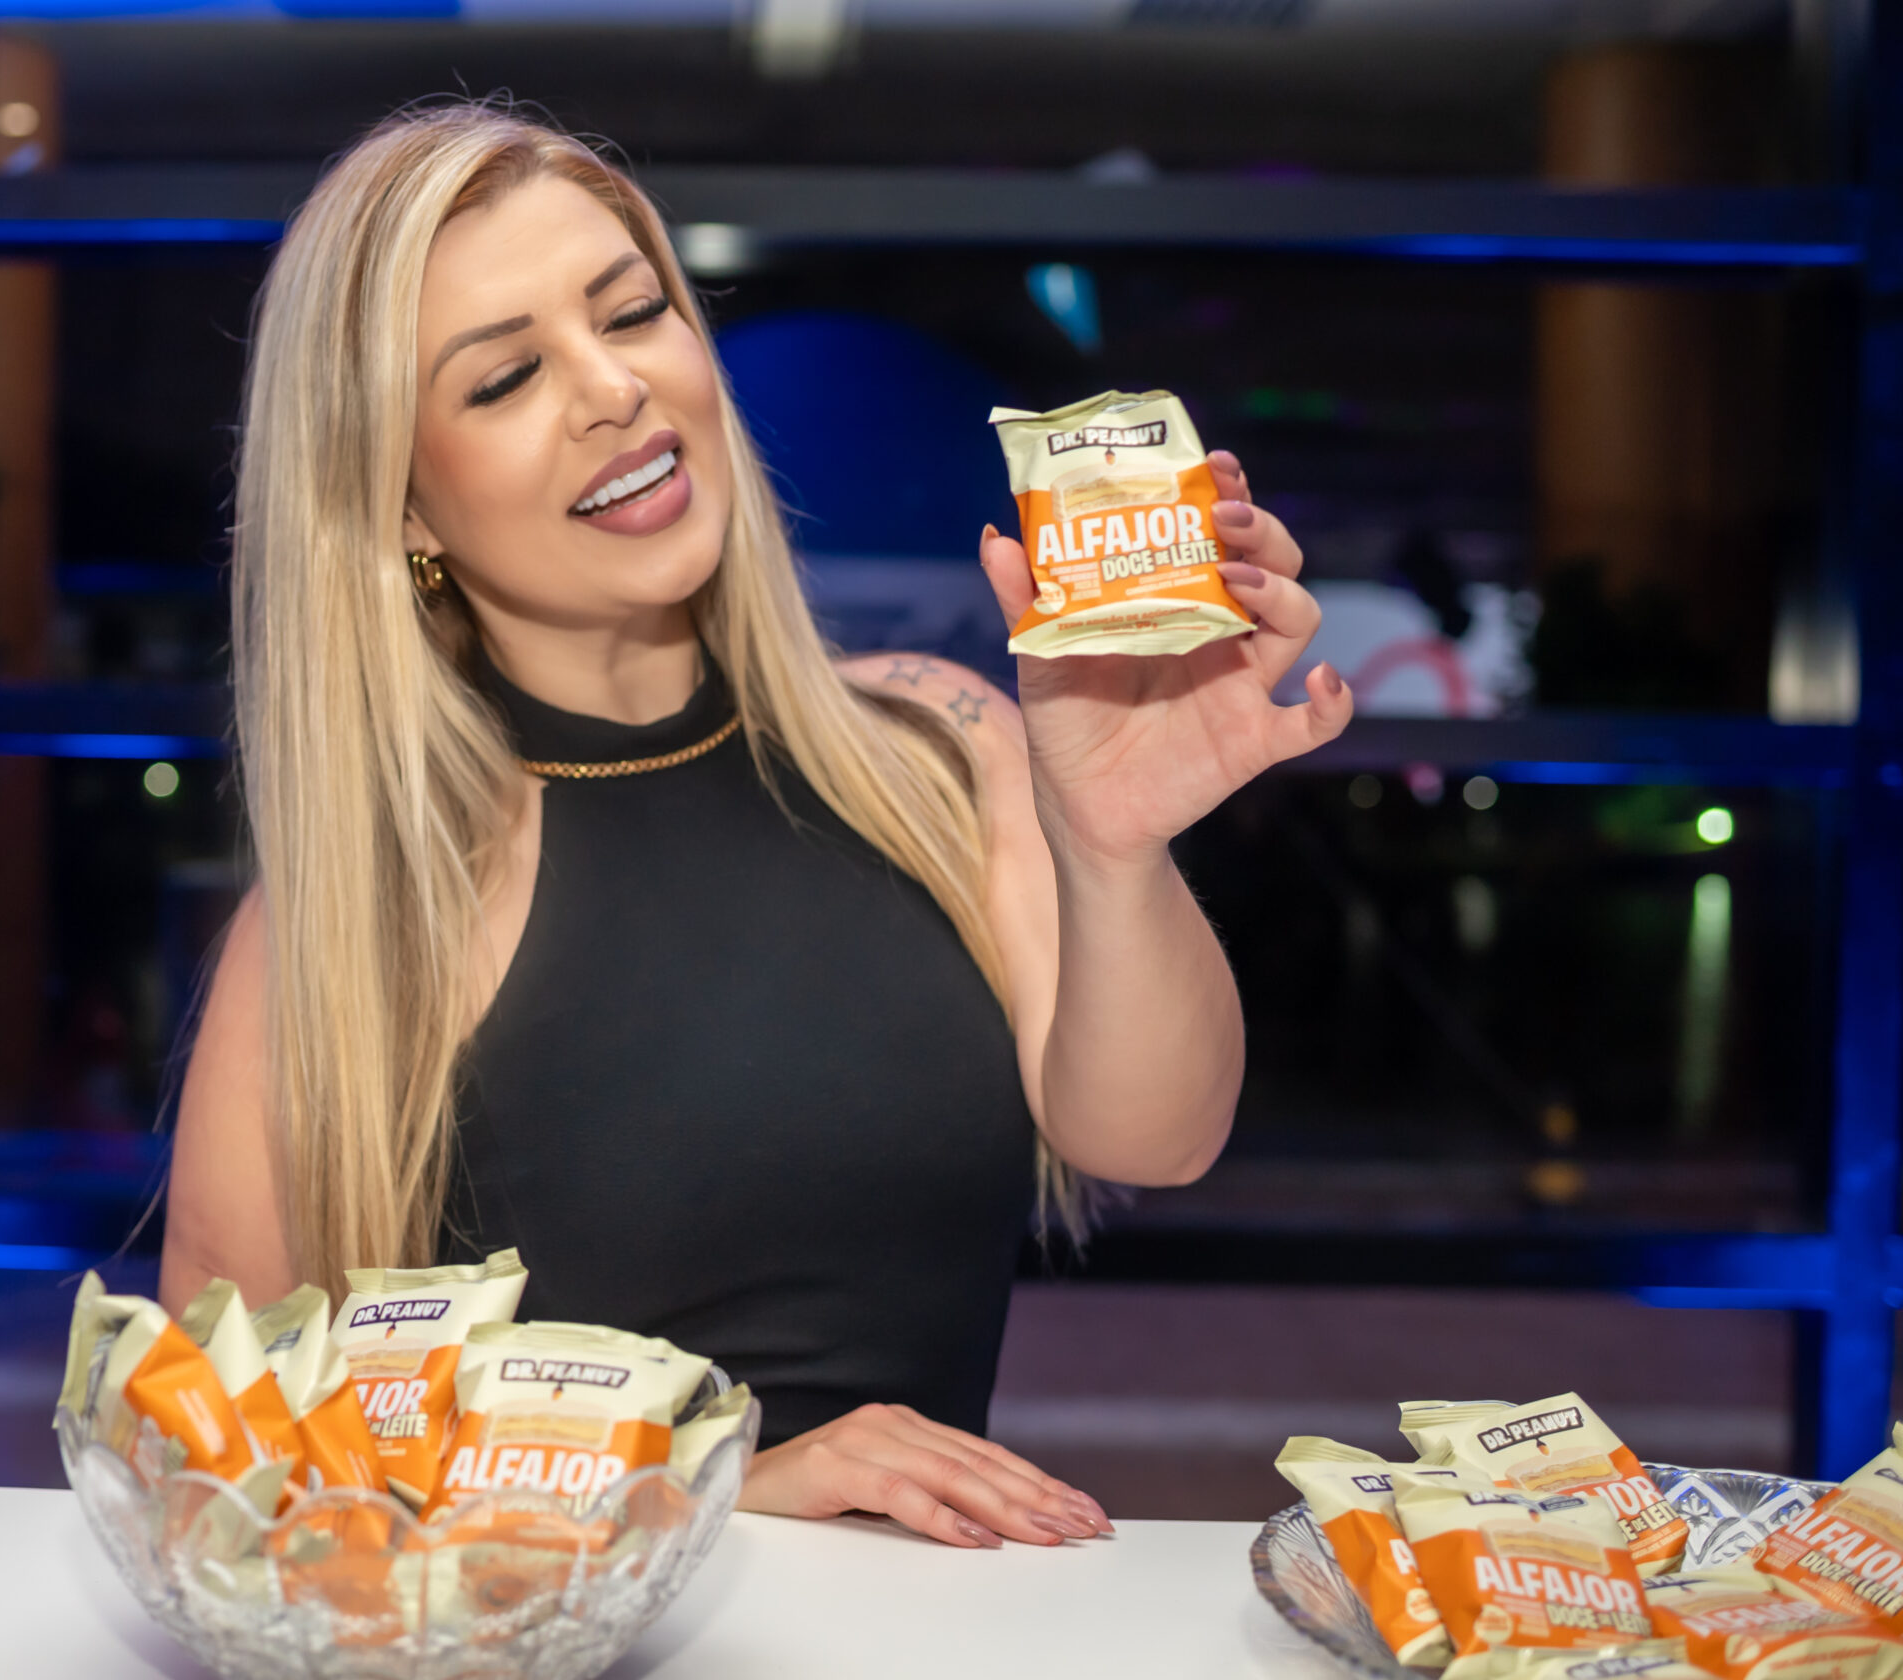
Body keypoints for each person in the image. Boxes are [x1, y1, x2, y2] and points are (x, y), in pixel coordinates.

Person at [159, 100, 1348, 1551]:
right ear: (400, 504)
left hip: (941, 1642)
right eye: (507, 376)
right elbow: (216, 1461)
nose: (613, 387)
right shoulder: (347, 924)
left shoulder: (935, 746)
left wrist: (1114, 847)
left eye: (632, 312)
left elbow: (1160, 1136)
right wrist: (699, 1486)